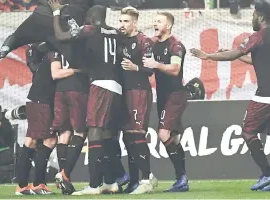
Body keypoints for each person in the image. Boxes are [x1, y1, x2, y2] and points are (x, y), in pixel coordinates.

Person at [190, 2, 270, 191]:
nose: (252, 18)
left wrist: (208, 56)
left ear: (261, 17)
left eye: (254, 15)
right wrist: (236, 56)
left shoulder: (258, 36)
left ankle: (268, 174)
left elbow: (234, 53)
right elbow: (256, 59)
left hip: (267, 95)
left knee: (248, 132)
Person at [51, 4, 125, 195]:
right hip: (116, 86)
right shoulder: (116, 32)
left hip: (100, 85)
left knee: (94, 131)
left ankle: (94, 185)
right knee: (107, 134)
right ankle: (110, 182)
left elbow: (60, 36)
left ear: (92, 18)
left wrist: (56, 12)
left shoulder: (91, 29)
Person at [142, 12, 189, 192]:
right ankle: (182, 179)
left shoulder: (176, 46)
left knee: (163, 133)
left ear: (168, 26)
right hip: (162, 95)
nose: (155, 23)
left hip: (175, 95)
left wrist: (156, 64)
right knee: (174, 139)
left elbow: (175, 69)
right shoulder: (153, 44)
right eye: (154, 21)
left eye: (159, 21)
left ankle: (182, 178)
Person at [0, 0, 94, 62]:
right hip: (63, 18)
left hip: (40, 15)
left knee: (16, 37)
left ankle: (4, 49)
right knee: (71, 43)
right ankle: (52, 43)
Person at [118, 6, 155, 194]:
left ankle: (147, 178)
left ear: (134, 23)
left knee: (137, 134)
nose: (122, 25)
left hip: (139, 92)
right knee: (127, 137)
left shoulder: (144, 41)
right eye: (120, 21)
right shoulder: (118, 40)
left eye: (125, 21)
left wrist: (135, 68)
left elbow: (150, 70)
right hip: (123, 92)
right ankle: (133, 181)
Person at [15, 43, 57, 195]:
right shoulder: (53, 51)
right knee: (49, 140)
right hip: (42, 101)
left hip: (37, 99)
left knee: (31, 141)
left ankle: (22, 186)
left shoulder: (47, 50)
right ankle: (38, 184)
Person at [50, 45, 89, 195]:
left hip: (60, 91)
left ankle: (65, 179)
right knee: (80, 132)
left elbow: (55, 74)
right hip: (77, 90)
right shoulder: (81, 45)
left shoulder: (56, 46)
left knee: (64, 133)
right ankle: (64, 174)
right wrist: (77, 71)